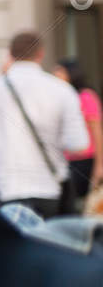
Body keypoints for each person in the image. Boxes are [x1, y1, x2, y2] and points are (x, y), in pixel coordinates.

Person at [0, 32, 90, 217]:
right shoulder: (63, 90)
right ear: (40, 54)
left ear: (10, 54)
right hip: (49, 188)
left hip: (6, 187)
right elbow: (79, 145)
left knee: (13, 246)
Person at [53, 58, 102, 213]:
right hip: (63, 161)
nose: (55, 75)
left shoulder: (85, 96)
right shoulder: (59, 97)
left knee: (83, 207)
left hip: (84, 161)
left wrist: (99, 166)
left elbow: (97, 131)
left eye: (59, 71)